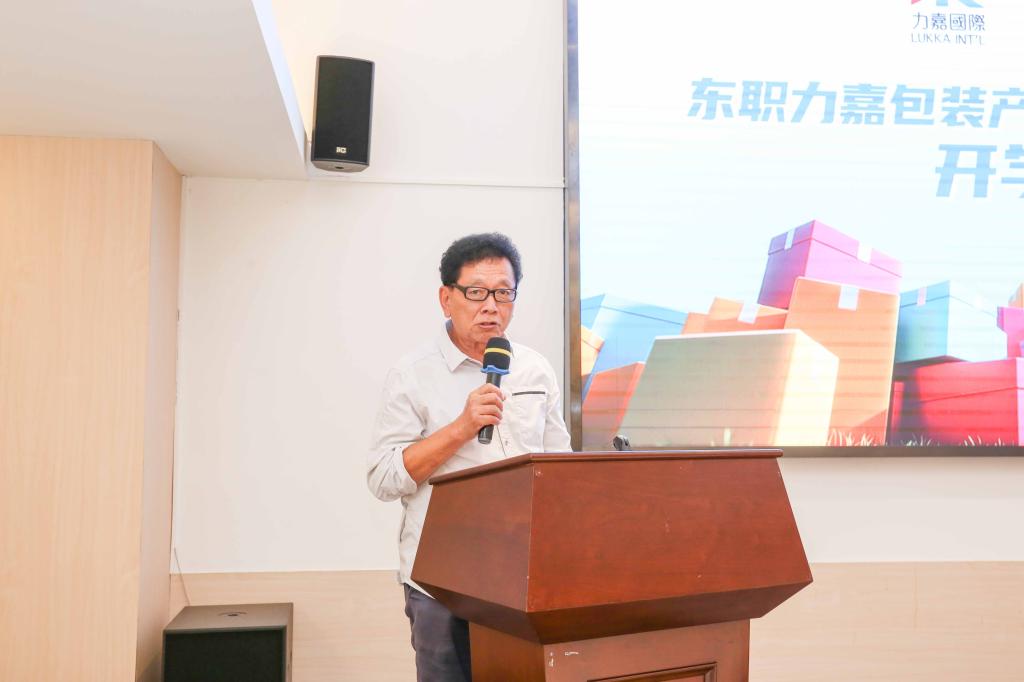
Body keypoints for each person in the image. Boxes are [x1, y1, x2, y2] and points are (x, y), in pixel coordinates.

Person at [367, 232, 572, 681]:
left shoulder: (534, 369)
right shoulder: (412, 374)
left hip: (522, 578)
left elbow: (560, 470)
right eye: (477, 293)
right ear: (447, 298)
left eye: (504, 293)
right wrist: (462, 427)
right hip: (443, 583)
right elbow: (383, 477)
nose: (491, 307)